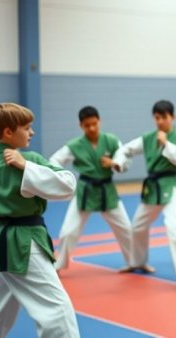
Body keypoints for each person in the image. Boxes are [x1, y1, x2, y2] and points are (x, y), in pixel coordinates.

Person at [0, 103, 80, 337]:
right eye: (27, 127)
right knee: (57, 311)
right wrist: (26, 166)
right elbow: (68, 185)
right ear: (8, 132)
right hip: (24, 244)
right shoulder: (28, 160)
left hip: (1, 242)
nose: (32, 132)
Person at [113, 99, 176, 291]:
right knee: (138, 226)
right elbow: (126, 149)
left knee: (173, 225)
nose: (160, 122)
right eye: (157, 118)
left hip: (169, 185)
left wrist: (167, 144)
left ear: (172, 117)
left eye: (164, 118)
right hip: (152, 186)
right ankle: (138, 261)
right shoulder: (148, 138)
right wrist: (119, 162)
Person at [50, 106, 133, 271]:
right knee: (68, 232)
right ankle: (58, 266)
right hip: (85, 191)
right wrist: (65, 178)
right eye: (87, 125)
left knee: (126, 229)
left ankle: (134, 261)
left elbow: (125, 159)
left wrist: (115, 164)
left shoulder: (111, 140)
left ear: (99, 121)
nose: (92, 128)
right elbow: (54, 161)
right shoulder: (74, 145)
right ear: (81, 125)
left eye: (94, 123)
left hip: (106, 190)